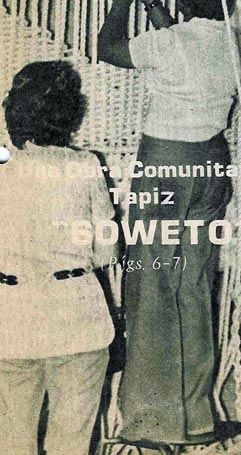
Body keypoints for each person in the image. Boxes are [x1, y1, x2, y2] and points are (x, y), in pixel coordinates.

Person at [97, 0, 241, 445]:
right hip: (212, 164)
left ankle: (153, 420)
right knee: (193, 285)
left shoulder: (173, 43)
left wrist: (121, 1)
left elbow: (109, 48)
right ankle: (195, 416)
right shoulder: (234, 41)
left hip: (166, 163)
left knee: (151, 283)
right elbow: (184, 45)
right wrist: (150, 0)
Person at [0, 61, 116, 455]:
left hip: (11, 320)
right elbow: (108, 251)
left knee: (11, 442)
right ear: (70, 114)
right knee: (71, 444)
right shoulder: (86, 166)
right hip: (76, 318)